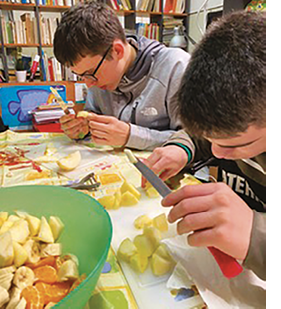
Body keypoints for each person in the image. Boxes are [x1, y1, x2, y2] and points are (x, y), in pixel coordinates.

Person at [143, 11, 266, 280]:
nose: (215, 153)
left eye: (236, 145)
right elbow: (204, 135)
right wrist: (182, 147)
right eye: (212, 141)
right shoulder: (236, 126)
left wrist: (256, 237)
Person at [53, 1, 190, 150]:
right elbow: (93, 115)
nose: (88, 84)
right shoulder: (97, 74)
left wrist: (131, 136)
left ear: (117, 51)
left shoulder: (176, 66)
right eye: (80, 75)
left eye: (90, 74)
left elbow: (197, 140)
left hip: (166, 172)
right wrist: (84, 129)